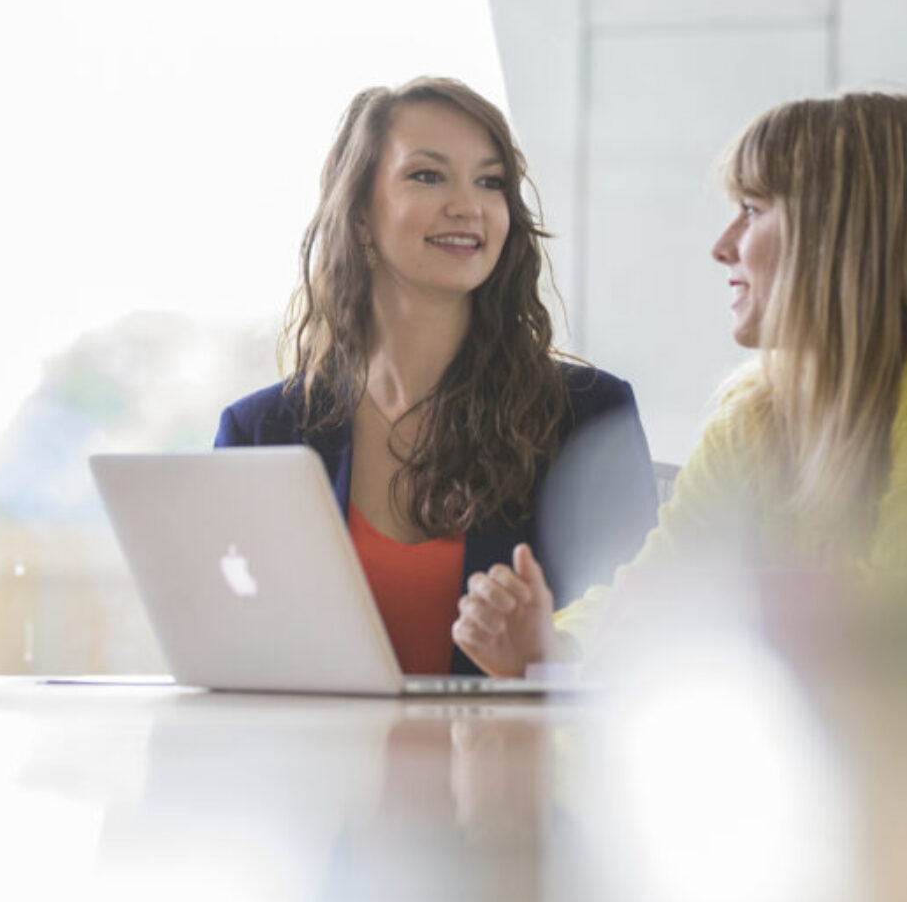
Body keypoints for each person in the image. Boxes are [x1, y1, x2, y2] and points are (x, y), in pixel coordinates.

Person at [453, 90, 907, 712]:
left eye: (751, 211)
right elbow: (653, 584)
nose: (722, 247)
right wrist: (549, 643)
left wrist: (727, 609)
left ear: (840, 231)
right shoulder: (755, 416)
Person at [216, 77, 658, 676]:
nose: (467, 205)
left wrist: (544, 655)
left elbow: (639, 640)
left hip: (520, 767)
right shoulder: (260, 430)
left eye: (490, 182)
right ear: (362, 218)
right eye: (427, 176)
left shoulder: (586, 414)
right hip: (321, 767)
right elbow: (227, 645)